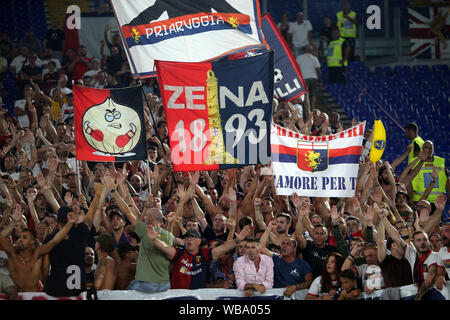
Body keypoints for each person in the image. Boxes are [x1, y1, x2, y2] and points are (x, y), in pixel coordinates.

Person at [147, 224, 250, 289]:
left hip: (198, 297)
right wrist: (154, 240)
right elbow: (165, 247)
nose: (188, 240)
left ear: (199, 241)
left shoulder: (205, 253)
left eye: (192, 237)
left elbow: (223, 248)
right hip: (177, 295)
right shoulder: (179, 253)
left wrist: (238, 240)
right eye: (187, 237)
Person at [0, 207, 76, 292]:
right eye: (20, 237)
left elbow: (55, 241)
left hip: (35, 295)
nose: (20, 239)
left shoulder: (38, 252)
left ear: (32, 241)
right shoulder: (12, 252)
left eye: (24, 237)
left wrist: (69, 223)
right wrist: (13, 222)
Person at [381, 210, 444, 300]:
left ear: (428, 241)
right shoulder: (412, 254)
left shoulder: (435, 256)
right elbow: (396, 236)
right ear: (413, 243)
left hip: (433, 294)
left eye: (424, 239)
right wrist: (383, 218)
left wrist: (418, 297)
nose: (422, 242)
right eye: (419, 240)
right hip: (418, 293)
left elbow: (429, 280)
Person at [260, 226, 313, 298]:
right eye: (283, 244)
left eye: (288, 244)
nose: (284, 246)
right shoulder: (276, 258)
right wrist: (269, 228)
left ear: (294, 249)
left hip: (296, 295)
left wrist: (296, 287)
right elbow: (261, 247)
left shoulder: (302, 264)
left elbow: (309, 282)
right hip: (277, 296)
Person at [296, 45, 321, 110]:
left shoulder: (299, 58)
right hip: (313, 78)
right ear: (311, 50)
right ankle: (312, 109)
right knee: (313, 95)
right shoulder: (314, 58)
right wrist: (320, 81)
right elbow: (318, 70)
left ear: (304, 50)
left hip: (304, 78)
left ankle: (307, 110)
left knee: (305, 95)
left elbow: (296, 68)